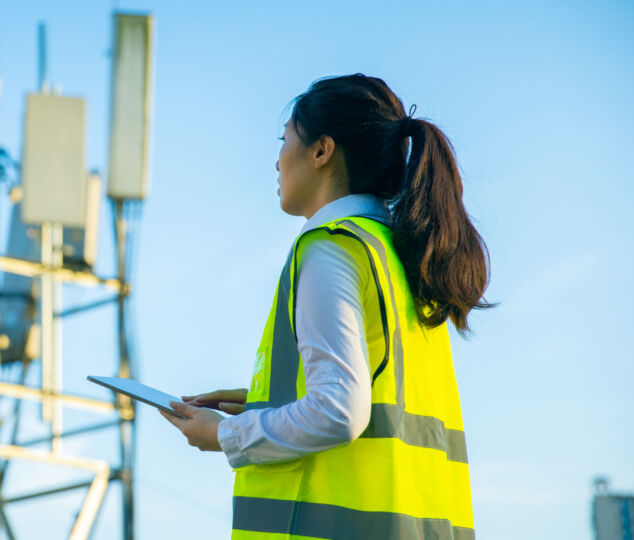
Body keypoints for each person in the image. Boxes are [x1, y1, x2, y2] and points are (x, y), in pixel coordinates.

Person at [160, 74, 491, 540]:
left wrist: (224, 435)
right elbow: (375, 398)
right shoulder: (403, 258)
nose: (277, 159)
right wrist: (261, 408)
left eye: (285, 139)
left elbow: (339, 410)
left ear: (321, 151)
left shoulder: (329, 249)